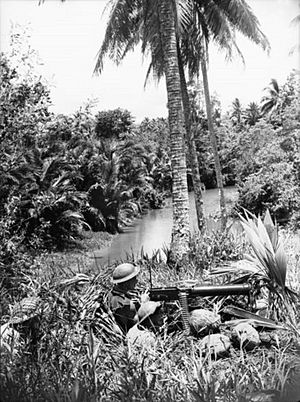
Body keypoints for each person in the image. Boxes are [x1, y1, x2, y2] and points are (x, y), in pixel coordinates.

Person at [109, 262, 147, 333]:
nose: (137, 280)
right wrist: (143, 304)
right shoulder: (123, 303)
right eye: (134, 278)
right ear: (126, 283)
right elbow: (135, 323)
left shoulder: (112, 293)